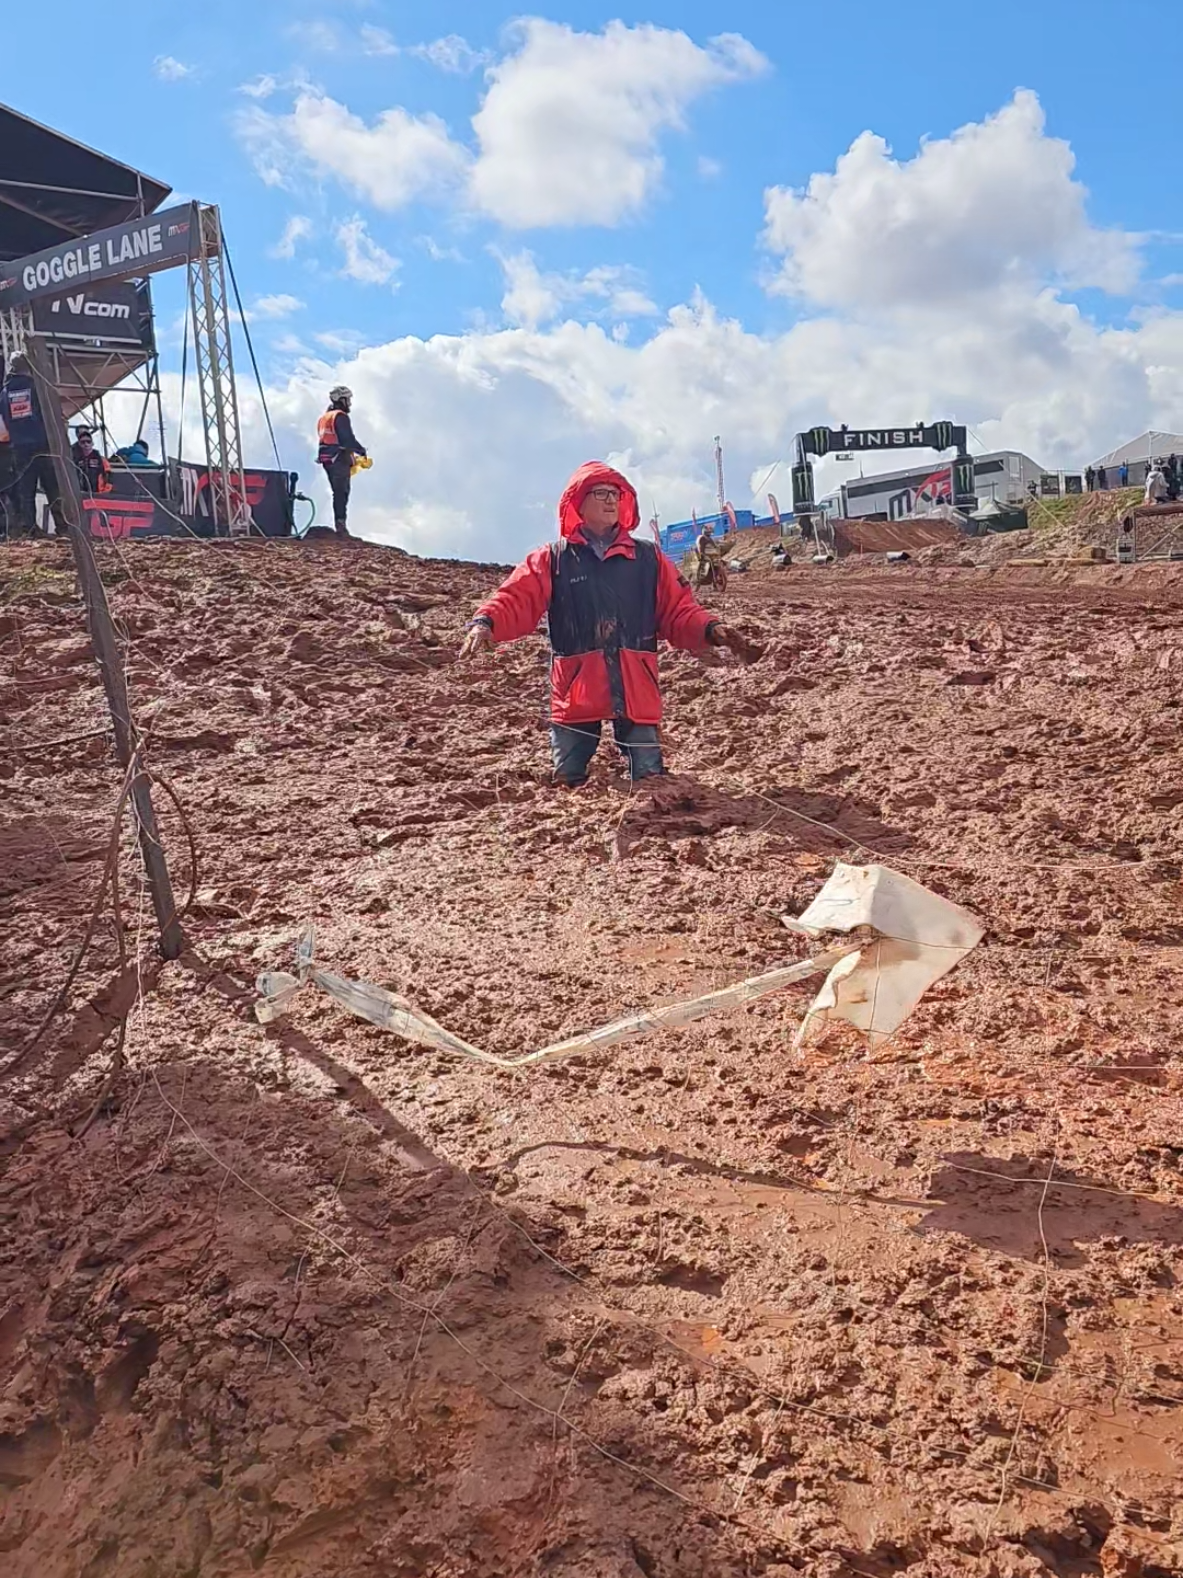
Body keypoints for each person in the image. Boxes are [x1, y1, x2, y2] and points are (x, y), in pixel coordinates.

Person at [459, 461, 751, 787]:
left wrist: (710, 629)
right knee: (567, 779)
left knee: (650, 778)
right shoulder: (552, 558)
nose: (611, 500)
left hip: (636, 683)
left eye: (616, 493)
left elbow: (678, 610)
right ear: (578, 502)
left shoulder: (647, 557)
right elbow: (516, 598)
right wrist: (486, 622)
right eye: (601, 493)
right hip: (576, 688)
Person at [0, 356, 65, 537]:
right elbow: (51, 414)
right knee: (53, 487)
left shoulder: (4, 392)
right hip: (43, 443)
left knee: (26, 490)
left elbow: (3, 423)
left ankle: (29, 529)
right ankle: (63, 527)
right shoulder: (37, 387)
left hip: (19, 447)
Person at [316, 385, 367, 539]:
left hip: (327, 458)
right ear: (341, 400)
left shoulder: (324, 418)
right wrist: (361, 451)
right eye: (348, 400)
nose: (349, 403)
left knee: (337, 492)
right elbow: (347, 440)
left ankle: (340, 525)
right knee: (341, 493)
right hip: (338, 459)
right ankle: (341, 527)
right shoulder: (340, 416)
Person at [71, 427, 113, 496]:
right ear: (79, 444)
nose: (86, 444)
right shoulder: (76, 459)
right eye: (83, 442)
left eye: (88, 441)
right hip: (82, 494)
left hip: (98, 494)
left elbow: (109, 477)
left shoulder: (101, 459)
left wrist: (105, 492)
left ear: (92, 443)